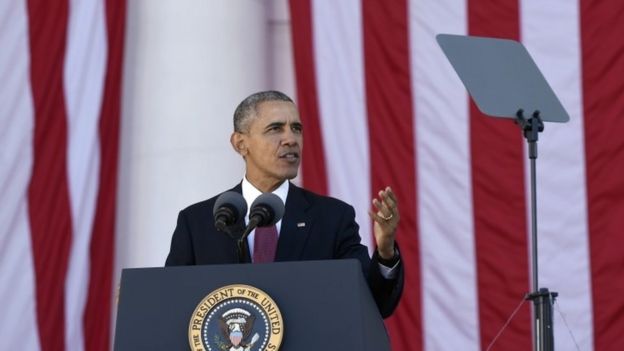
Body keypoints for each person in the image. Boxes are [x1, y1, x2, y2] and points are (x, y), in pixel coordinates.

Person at [165, 90, 403, 317]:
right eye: (275, 129)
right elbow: (171, 303)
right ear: (240, 143)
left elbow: (374, 303)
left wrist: (385, 251)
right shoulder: (198, 221)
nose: (291, 139)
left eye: (296, 129)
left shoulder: (332, 217)